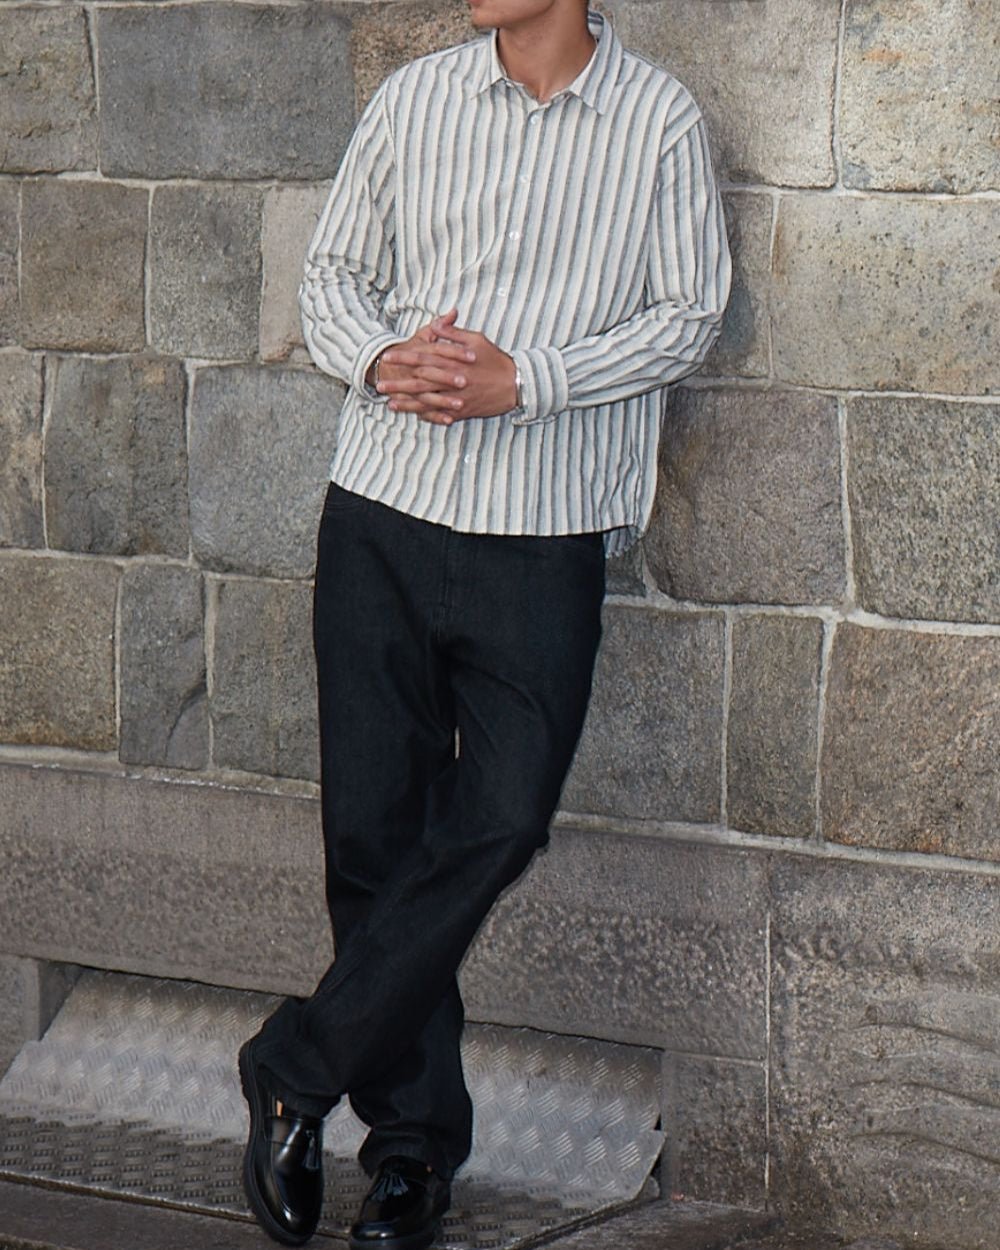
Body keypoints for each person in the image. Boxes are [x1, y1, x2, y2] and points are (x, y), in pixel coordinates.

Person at [237, 0, 731, 1245]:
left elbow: (690, 313)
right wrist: (381, 358)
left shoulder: (657, 121)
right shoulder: (415, 99)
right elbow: (332, 276)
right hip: (382, 511)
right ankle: (408, 1153)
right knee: (372, 839)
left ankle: (296, 1063)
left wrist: (529, 378)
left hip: (541, 530)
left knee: (503, 816)